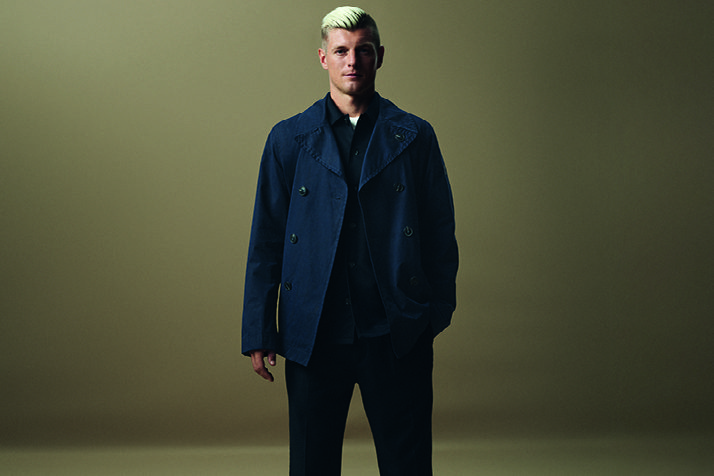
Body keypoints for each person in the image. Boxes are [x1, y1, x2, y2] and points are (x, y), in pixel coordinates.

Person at [241, 6, 458, 475]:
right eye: (341, 51)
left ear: (380, 56)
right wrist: (258, 328)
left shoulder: (415, 136)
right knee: (312, 464)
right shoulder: (288, 138)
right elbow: (266, 239)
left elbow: (440, 230)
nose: (352, 61)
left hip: (395, 328)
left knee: (408, 465)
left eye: (363, 50)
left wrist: (431, 313)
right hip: (313, 331)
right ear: (324, 58)